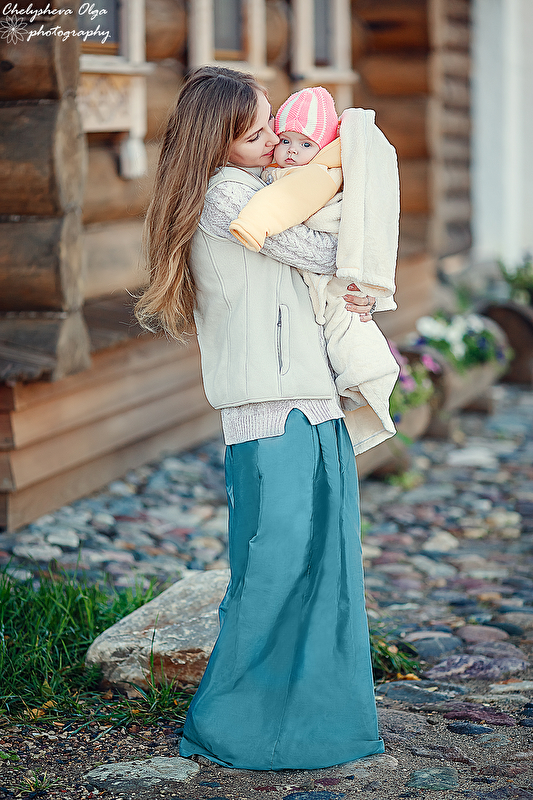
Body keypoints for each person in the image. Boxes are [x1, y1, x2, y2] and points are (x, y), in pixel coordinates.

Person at [135, 65, 385, 771]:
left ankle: (314, 724)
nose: (275, 140)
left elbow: (326, 272)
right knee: (275, 572)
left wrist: (358, 289)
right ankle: (236, 725)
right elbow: (323, 249)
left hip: (309, 401)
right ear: (216, 144)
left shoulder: (261, 187)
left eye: (272, 122)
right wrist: (360, 222)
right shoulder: (228, 195)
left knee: (323, 570)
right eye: (255, 135)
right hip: (273, 413)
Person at [230, 86, 400, 455]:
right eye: (285, 140)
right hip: (280, 351)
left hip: (330, 282)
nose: (289, 150)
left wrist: (253, 224)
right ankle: (363, 390)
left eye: (305, 144)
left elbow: (285, 206)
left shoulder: (317, 175)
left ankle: (367, 386)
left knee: (350, 334)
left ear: (322, 148)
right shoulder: (232, 189)